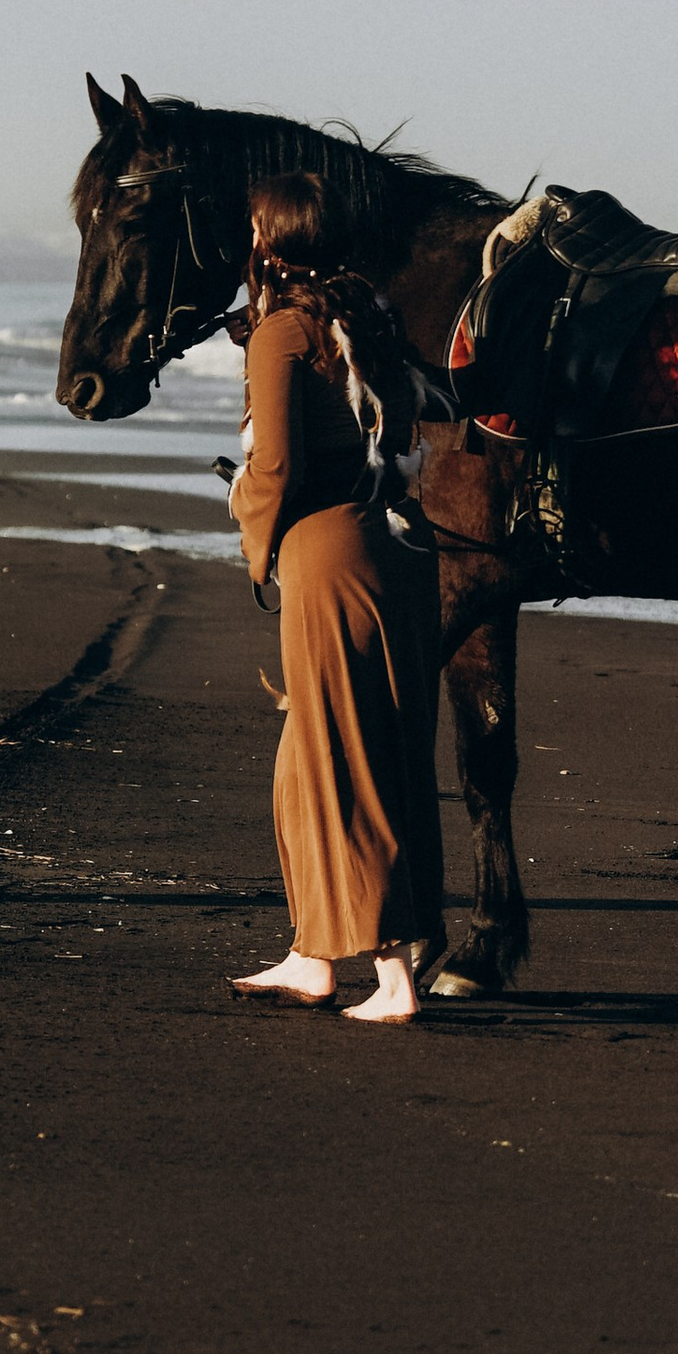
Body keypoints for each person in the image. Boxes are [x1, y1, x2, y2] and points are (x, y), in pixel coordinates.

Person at [227, 172, 445, 1022]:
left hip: (328, 554)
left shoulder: (280, 332)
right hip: (400, 546)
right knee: (322, 757)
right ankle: (312, 953)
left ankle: (393, 980)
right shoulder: (371, 316)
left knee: (347, 759)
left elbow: (274, 469)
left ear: (271, 245)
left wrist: (252, 542)